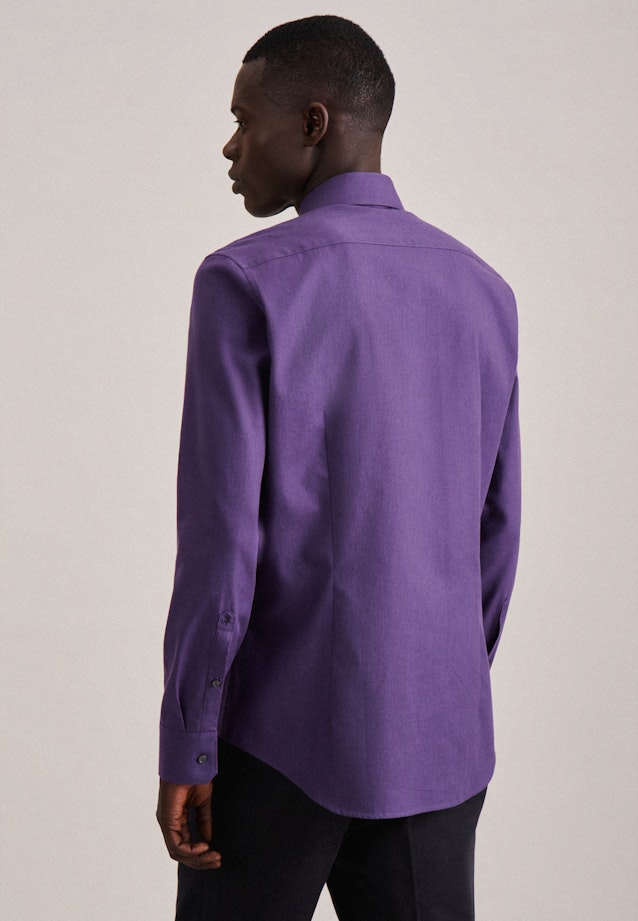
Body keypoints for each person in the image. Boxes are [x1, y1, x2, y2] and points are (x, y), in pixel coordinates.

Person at [156, 14, 521, 921]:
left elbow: (222, 542)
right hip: (440, 739)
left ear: (314, 123)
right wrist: (438, 677)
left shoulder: (244, 281)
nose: (231, 145)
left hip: (279, 738)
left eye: (246, 119)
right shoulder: (484, 288)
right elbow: (496, 525)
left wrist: (190, 737)